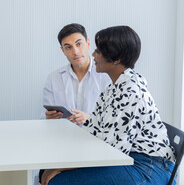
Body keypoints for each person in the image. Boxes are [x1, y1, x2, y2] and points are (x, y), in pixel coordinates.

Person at [40, 26, 176, 185]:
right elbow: (93, 132)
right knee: (49, 172)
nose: (93, 55)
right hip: (128, 158)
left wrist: (61, 168)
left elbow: (112, 153)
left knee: (58, 181)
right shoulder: (112, 89)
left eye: (98, 51)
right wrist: (59, 164)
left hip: (148, 167)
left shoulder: (130, 91)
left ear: (116, 59)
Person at [43, 23, 110, 123]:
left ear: (88, 44)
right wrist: (48, 117)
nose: (75, 52)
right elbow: (44, 117)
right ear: (63, 50)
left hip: (95, 136)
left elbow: (115, 117)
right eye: (68, 47)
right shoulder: (53, 78)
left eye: (79, 44)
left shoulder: (107, 75)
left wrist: (90, 118)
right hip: (64, 136)